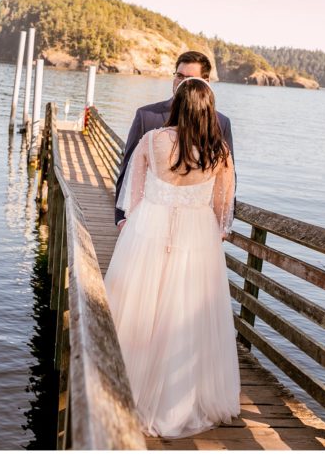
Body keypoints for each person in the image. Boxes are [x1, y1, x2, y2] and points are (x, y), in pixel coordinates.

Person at [102, 77, 240, 438]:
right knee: (185, 312)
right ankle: (178, 401)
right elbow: (224, 211)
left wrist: (135, 224)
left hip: (150, 228)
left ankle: (123, 386)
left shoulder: (153, 141)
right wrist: (213, 230)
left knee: (140, 308)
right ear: (209, 111)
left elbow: (131, 196)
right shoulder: (219, 152)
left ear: (177, 105)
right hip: (197, 234)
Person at [114, 51, 235, 230]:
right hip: (149, 221)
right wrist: (121, 218)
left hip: (194, 226)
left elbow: (227, 178)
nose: (182, 82)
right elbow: (128, 168)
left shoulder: (221, 123)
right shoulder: (146, 115)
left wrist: (223, 225)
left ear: (205, 82)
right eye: (179, 76)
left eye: (189, 78)